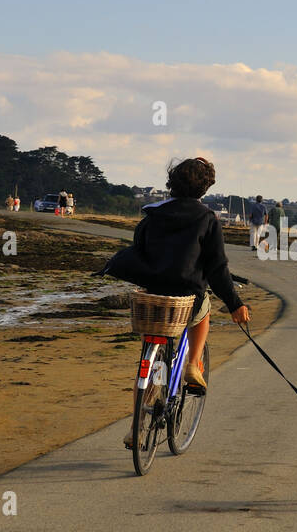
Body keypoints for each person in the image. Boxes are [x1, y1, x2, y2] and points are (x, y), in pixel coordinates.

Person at [101, 158, 251, 446]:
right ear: (205, 187)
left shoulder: (152, 216)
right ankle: (193, 363)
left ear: (172, 182)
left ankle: (136, 428)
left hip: (154, 300)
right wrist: (235, 305)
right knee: (203, 308)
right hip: (187, 300)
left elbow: (139, 249)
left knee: (148, 359)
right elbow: (218, 269)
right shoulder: (207, 219)